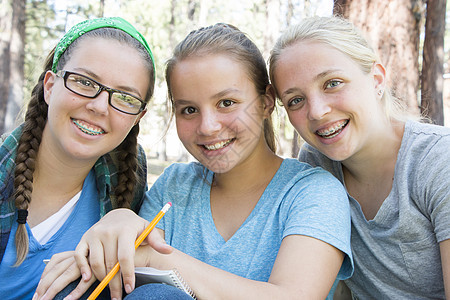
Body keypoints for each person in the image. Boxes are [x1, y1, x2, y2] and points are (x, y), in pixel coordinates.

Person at [35, 23, 353, 300]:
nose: (207, 126)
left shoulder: (313, 193)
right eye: (189, 110)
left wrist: (164, 261)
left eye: (226, 103)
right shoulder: (174, 188)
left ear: (266, 102)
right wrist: (120, 219)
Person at [269, 15, 450, 299]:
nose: (316, 111)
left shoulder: (438, 161)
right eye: (295, 100)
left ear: (376, 79)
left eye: (332, 83)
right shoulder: (317, 165)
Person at [0, 17, 171, 299]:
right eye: (84, 82)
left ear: (138, 118)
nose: (99, 106)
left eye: (125, 98)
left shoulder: (126, 176)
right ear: (50, 85)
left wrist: (125, 219)